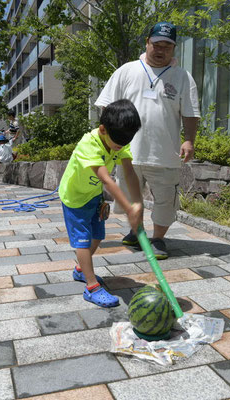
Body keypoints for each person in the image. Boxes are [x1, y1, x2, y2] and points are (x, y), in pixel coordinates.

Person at [94, 21, 201, 260]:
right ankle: (136, 230)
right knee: (130, 197)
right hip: (127, 152)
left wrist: (189, 140)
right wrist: (105, 140)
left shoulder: (183, 77)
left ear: (174, 49)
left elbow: (191, 112)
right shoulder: (127, 70)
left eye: (167, 46)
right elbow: (106, 105)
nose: (160, 50)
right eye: (156, 44)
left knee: (165, 199)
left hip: (165, 153)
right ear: (147, 43)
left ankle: (159, 238)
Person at [58, 99, 144, 308]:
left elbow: (129, 172)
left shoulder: (119, 140)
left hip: (93, 197)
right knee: (83, 241)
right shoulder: (89, 144)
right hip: (75, 199)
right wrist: (128, 208)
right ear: (103, 129)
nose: (120, 147)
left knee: (97, 236)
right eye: (117, 143)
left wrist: (138, 203)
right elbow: (106, 178)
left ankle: (80, 270)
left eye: (124, 143)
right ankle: (92, 286)